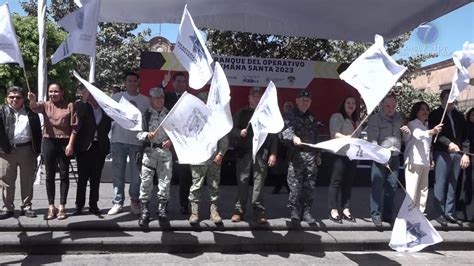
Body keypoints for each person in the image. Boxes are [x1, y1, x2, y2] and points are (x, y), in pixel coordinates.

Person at [29, 83, 77, 220]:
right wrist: (32, 100)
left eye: (56, 91)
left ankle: (62, 205)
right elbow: (34, 108)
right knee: (49, 176)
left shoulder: (70, 105)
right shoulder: (45, 105)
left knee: (64, 175)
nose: (53, 94)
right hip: (48, 141)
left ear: (62, 92)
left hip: (64, 142)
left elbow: (74, 127)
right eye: (51, 91)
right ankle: (51, 206)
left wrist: (70, 144)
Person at [230, 86, 277, 224]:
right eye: (254, 96)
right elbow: (231, 128)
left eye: (259, 96)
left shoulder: (266, 114)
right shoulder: (242, 113)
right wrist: (239, 133)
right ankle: (239, 210)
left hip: (261, 154)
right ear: (249, 97)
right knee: (242, 182)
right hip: (244, 154)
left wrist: (273, 154)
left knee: (259, 184)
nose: (256, 99)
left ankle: (259, 212)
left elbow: (273, 135)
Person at [108, 72, 151, 215]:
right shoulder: (116, 98)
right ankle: (117, 202)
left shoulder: (145, 100)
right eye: (129, 80)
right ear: (125, 83)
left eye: (134, 81)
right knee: (117, 173)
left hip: (136, 142)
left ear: (138, 83)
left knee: (136, 175)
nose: (132, 83)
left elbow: (148, 122)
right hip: (118, 140)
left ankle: (134, 201)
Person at [367, 94, 410, 227]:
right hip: (380, 155)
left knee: (392, 186)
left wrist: (407, 132)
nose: (391, 108)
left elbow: (404, 139)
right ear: (381, 105)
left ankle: (388, 215)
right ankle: (376, 214)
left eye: (393, 106)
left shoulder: (399, 117)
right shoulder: (375, 118)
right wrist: (381, 156)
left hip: (395, 156)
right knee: (377, 186)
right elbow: (372, 140)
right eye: (387, 106)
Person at [428, 89, 470, 226]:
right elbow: (436, 135)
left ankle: (449, 213)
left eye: (453, 99)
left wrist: (465, 153)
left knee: (453, 184)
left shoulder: (459, 116)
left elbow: (465, 137)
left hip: (457, 154)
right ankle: (439, 213)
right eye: (448, 99)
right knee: (440, 184)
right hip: (442, 153)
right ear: (442, 100)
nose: (451, 102)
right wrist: (449, 143)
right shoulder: (435, 114)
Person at [0, 86, 42, 219]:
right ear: (6, 98)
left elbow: (38, 132)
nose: (14, 99)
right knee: (6, 180)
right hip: (6, 150)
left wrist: (38, 150)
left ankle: (27, 206)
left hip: (26, 149)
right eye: (11, 97)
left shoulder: (31, 112)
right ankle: (8, 208)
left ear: (23, 99)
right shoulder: (1, 111)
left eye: (18, 97)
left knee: (27, 180)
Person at [188, 92, 229, 224]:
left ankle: (214, 211)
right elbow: (187, 137)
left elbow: (223, 138)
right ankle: (194, 212)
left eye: (207, 102)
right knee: (196, 184)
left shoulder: (217, 119)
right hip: (198, 157)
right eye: (203, 102)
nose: (205, 105)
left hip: (213, 158)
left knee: (214, 184)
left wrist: (221, 153)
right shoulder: (193, 119)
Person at [281, 89, 320, 223]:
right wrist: (293, 137)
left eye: (307, 100)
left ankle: (307, 212)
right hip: (296, 156)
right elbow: (284, 133)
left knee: (309, 185)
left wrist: (318, 154)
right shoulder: (289, 116)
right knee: (295, 185)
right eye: (302, 100)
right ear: (297, 101)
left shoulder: (313, 118)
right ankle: (294, 211)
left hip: (310, 156)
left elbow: (316, 138)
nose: (305, 103)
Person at [136, 87, 172, 227]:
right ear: (151, 99)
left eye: (161, 97)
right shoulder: (145, 115)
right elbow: (138, 133)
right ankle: (144, 211)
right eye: (156, 98)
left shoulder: (169, 114)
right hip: (149, 153)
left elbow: (177, 132)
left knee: (165, 182)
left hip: (164, 152)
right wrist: (146, 135)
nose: (160, 100)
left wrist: (171, 141)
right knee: (146, 182)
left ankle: (162, 210)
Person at [73, 86, 112, 216]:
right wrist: (84, 98)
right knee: (82, 178)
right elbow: (79, 115)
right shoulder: (81, 105)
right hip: (84, 147)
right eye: (90, 93)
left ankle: (93, 205)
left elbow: (107, 125)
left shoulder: (105, 109)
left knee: (96, 178)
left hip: (99, 146)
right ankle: (79, 205)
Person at [162, 72, 193, 214]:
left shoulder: (190, 99)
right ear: (173, 83)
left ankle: (184, 204)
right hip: (166, 142)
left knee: (185, 177)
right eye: (178, 81)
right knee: (165, 176)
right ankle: (163, 205)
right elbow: (155, 94)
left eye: (183, 81)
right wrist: (163, 83)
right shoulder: (166, 96)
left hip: (184, 143)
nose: (181, 83)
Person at [404, 101, 442, 214]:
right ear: (416, 112)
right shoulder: (412, 123)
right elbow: (418, 134)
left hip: (425, 162)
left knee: (423, 190)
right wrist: (432, 131)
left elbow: (428, 146)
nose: (425, 111)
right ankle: (409, 214)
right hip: (414, 161)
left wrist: (430, 159)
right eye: (422, 109)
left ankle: (420, 213)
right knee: (412, 191)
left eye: (426, 109)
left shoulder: (426, 125)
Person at [327, 96, 360, 224]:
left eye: (353, 103)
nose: (351, 105)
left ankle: (346, 209)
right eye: (348, 102)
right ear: (343, 104)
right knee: (335, 182)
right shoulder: (337, 117)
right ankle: (333, 209)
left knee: (348, 183)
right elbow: (334, 134)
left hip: (352, 156)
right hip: (339, 155)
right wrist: (346, 137)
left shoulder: (356, 121)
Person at [272, 101, 294, 194]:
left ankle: (289, 187)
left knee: (290, 168)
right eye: (286, 106)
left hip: (291, 145)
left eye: (290, 106)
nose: (288, 108)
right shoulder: (279, 118)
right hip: (281, 145)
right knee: (279, 168)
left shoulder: (295, 118)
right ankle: (278, 186)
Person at [457, 108, 474, 222]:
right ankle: (465, 215)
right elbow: (465, 142)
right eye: (472, 114)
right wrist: (466, 154)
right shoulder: (466, 126)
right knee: (466, 185)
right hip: (468, 158)